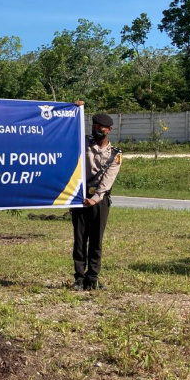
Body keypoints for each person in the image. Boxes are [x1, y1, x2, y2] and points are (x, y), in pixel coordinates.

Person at [70, 106, 122, 291]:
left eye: (101, 127)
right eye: (94, 126)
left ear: (109, 130)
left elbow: (108, 180)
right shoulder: (83, 144)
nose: (97, 130)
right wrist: (75, 109)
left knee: (96, 240)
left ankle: (92, 278)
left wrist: (96, 198)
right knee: (79, 239)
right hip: (80, 198)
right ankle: (79, 278)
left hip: (99, 201)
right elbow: (70, 132)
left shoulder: (115, 155)